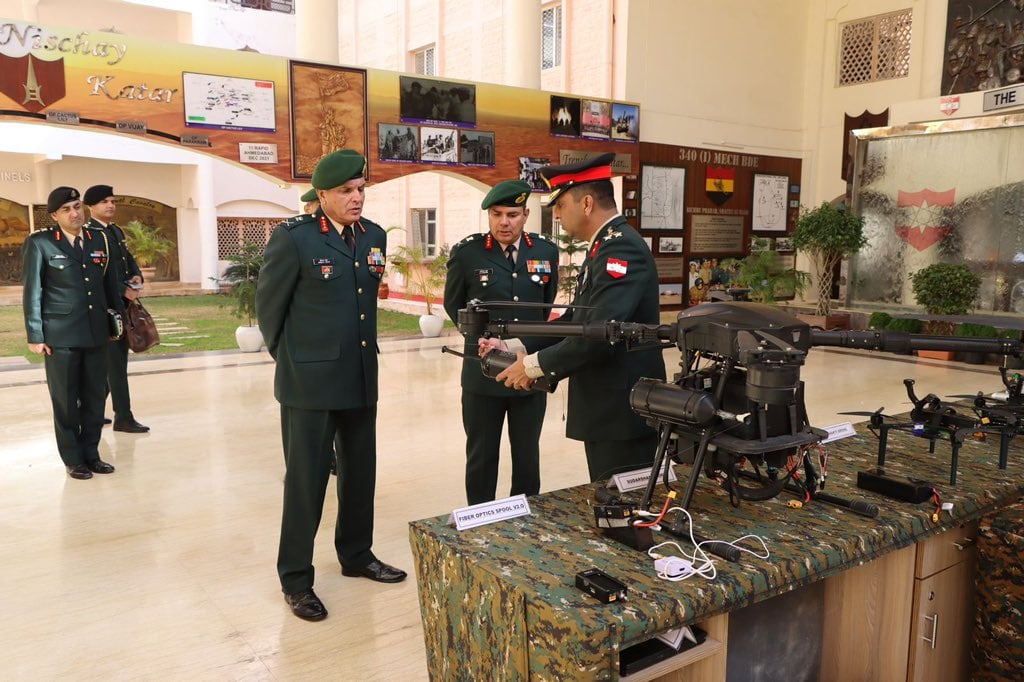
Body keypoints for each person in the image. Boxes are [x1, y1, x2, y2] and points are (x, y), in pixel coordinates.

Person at [256, 149, 405, 623]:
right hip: (310, 385)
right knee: (306, 482)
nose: (356, 197)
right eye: (346, 191)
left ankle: (357, 555)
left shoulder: (374, 236)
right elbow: (269, 313)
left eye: (360, 189)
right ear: (322, 196)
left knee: (361, 473)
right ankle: (296, 579)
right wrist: (296, 364)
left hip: (361, 375)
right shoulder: (294, 239)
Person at [490, 153, 666, 482]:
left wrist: (532, 366)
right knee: (612, 508)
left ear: (586, 203)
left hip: (621, 411)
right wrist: (516, 345)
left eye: (560, 205)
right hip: (609, 409)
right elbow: (576, 319)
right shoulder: (604, 246)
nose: (556, 215)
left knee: (623, 516)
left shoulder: (620, 250)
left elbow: (598, 335)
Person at [444, 180, 559, 504]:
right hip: (484, 372)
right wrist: (482, 340)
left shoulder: (545, 251)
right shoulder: (468, 253)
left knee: (527, 455)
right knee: (481, 455)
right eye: (496, 214)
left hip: (530, 369)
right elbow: (454, 304)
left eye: (511, 214)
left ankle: (524, 518)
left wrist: (526, 344)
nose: (503, 222)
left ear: (525, 215)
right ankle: (481, 520)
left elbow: (545, 306)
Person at [23, 186, 124, 479]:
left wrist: (116, 323)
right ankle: (73, 459)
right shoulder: (41, 243)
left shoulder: (99, 239)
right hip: (60, 336)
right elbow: (33, 292)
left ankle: (92, 455)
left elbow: (110, 286)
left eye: (77, 206)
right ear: (55, 215)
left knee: (94, 398)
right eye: (66, 209)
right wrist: (36, 335)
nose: (74, 213)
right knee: (66, 401)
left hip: (96, 332)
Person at [82, 185, 149, 433]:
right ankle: (123, 417)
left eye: (112, 201)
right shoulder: (89, 234)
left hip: (123, 304)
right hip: (106, 308)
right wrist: (122, 289)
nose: (110, 205)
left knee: (113, 363)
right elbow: (95, 271)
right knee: (116, 365)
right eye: (103, 202)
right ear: (91, 207)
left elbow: (127, 260)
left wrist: (137, 279)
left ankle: (92, 411)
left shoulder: (116, 231)